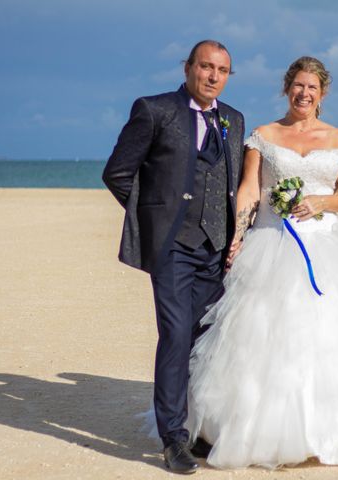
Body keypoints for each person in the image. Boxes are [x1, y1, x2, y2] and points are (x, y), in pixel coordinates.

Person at [180, 57, 338, 469]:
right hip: (269, 245)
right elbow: (248, 190)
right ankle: (255, 430)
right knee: (261, 335)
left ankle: (326, 431)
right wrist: (238, 237)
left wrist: (322, 202)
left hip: (323, 248)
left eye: (312, 87)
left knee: (327, 336)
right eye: (298, 85)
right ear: (287, 88)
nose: (304, 93)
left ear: (323, 93)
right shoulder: (263, 135)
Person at [102, 40, 245, 474]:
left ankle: (200, 429)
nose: (213, 75)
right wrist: (155, 218)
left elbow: (233, 180)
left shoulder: (233, 120)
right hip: (173, 248)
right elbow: (117, 172)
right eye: (205, 66)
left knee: (206, 341)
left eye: (222, 69)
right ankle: (173, 438)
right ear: (188, 68)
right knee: (176, 334)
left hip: (216, 250)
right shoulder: (154, 110)